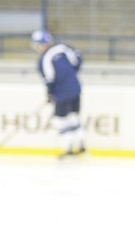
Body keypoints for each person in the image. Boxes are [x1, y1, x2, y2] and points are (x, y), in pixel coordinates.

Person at [31, 30, 86, 158]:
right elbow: (78, 60)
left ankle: (67, 148)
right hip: (76, 88)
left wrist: (50, 94)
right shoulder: (63, 47)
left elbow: (49, 80)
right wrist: (70, 77)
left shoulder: (44, 60)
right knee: (73, 117)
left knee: (60, 121)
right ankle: (81, 144)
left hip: (62, 93)